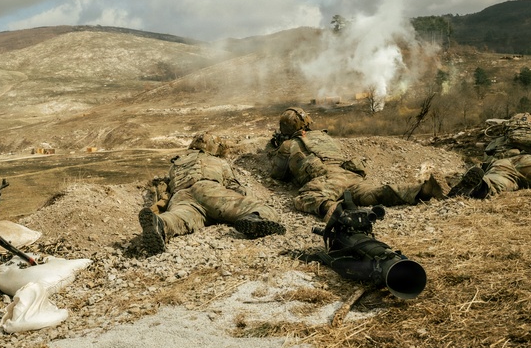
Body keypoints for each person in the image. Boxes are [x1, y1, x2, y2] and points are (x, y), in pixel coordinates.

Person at [269, 107, 451, 220]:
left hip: (327, 179)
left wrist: (276, 149)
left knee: (306, 197)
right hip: (350, 175)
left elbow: (279, 174)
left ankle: (332, 209)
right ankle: (422, 190)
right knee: (375, 193)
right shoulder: (323, 136)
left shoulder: (288, 145)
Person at [139, 136, 286, 256]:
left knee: (179, 218)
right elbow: (234, 187)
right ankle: (255, 218)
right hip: (207, 189)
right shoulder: (217, 161)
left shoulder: (175, 164)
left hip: (180, 196)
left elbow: (166, 188)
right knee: (257, 207)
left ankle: (160, 224)